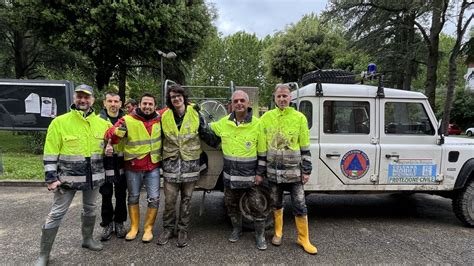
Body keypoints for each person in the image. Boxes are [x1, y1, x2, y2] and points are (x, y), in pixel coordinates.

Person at [36, 84, 111, 265]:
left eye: (86, 97)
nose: (82, 100)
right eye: (79, 96)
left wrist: (111, 147)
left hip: (93, 178)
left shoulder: (103, 124)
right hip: (66, 180)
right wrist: (51, 178)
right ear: (74, 99)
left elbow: (112, 146)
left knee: (90, 208)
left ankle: (87, 240)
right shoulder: (60, 122)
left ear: (93, 100)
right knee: (56, 213)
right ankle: (43, 255)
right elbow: (51, 151)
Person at [157, 84, 218, 248]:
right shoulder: (164, 116)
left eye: (178, 96)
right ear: (170, 100)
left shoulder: (196, 113)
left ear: (184, 97)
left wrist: (220, 141)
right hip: (170, 164)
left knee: (187, 199)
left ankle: (183, 229)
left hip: (190, 164)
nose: (176, 99)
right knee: (169, 201)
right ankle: (168, 228)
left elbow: (206, 132)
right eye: (172, 97)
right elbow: (158, 138)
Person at [259, 84, 317, 255]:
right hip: (273, 172)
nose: (282, 99)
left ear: (290, 98)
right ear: (275, 98)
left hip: (294, 172)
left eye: (285, 96)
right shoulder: (266, 118)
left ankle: (303, 238)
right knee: (276, 203)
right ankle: (278, 233)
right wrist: (261, 170)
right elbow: (262, 147)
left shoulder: (300, 118)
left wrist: (306, 170)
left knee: (300, 204)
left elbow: (305, 147)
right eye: (279, 96)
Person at [210, 90, 268, 250]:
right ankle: (237, 229)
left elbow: (262, 152)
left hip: (251, 178)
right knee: (231, 206)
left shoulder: (257, 124)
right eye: (236, 101)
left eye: (242, 100)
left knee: (257, 206)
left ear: (248, 103)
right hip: (230, 177)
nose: (239, 103)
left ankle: (260, 235)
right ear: (231, 104)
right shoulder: (223, 123)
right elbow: (206, 127)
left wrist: (259, 174)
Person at [105, 93, 161, 243]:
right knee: (133, 197)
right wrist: (117, 132)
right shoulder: (127, 119)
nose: (147, 106)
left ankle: (148, 229)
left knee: (154, 199)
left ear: (155, 106)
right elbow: (109, 135)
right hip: (133, 167)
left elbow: (175, 105)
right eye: (145, 103)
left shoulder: (159, 118)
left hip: (153, 166)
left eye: (150, 104)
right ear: (139, 105)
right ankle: (134, 227)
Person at [98, 92, 127, 241]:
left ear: (121, 104)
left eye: (116, 101)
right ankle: (107, 224)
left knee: (121, 194)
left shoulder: (127, 120)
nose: (113, 104)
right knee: (106, 194)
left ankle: (120, 222)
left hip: (122, 160)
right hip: (105, 161)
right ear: (104, 103)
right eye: (110, 101)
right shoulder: (98, 121)